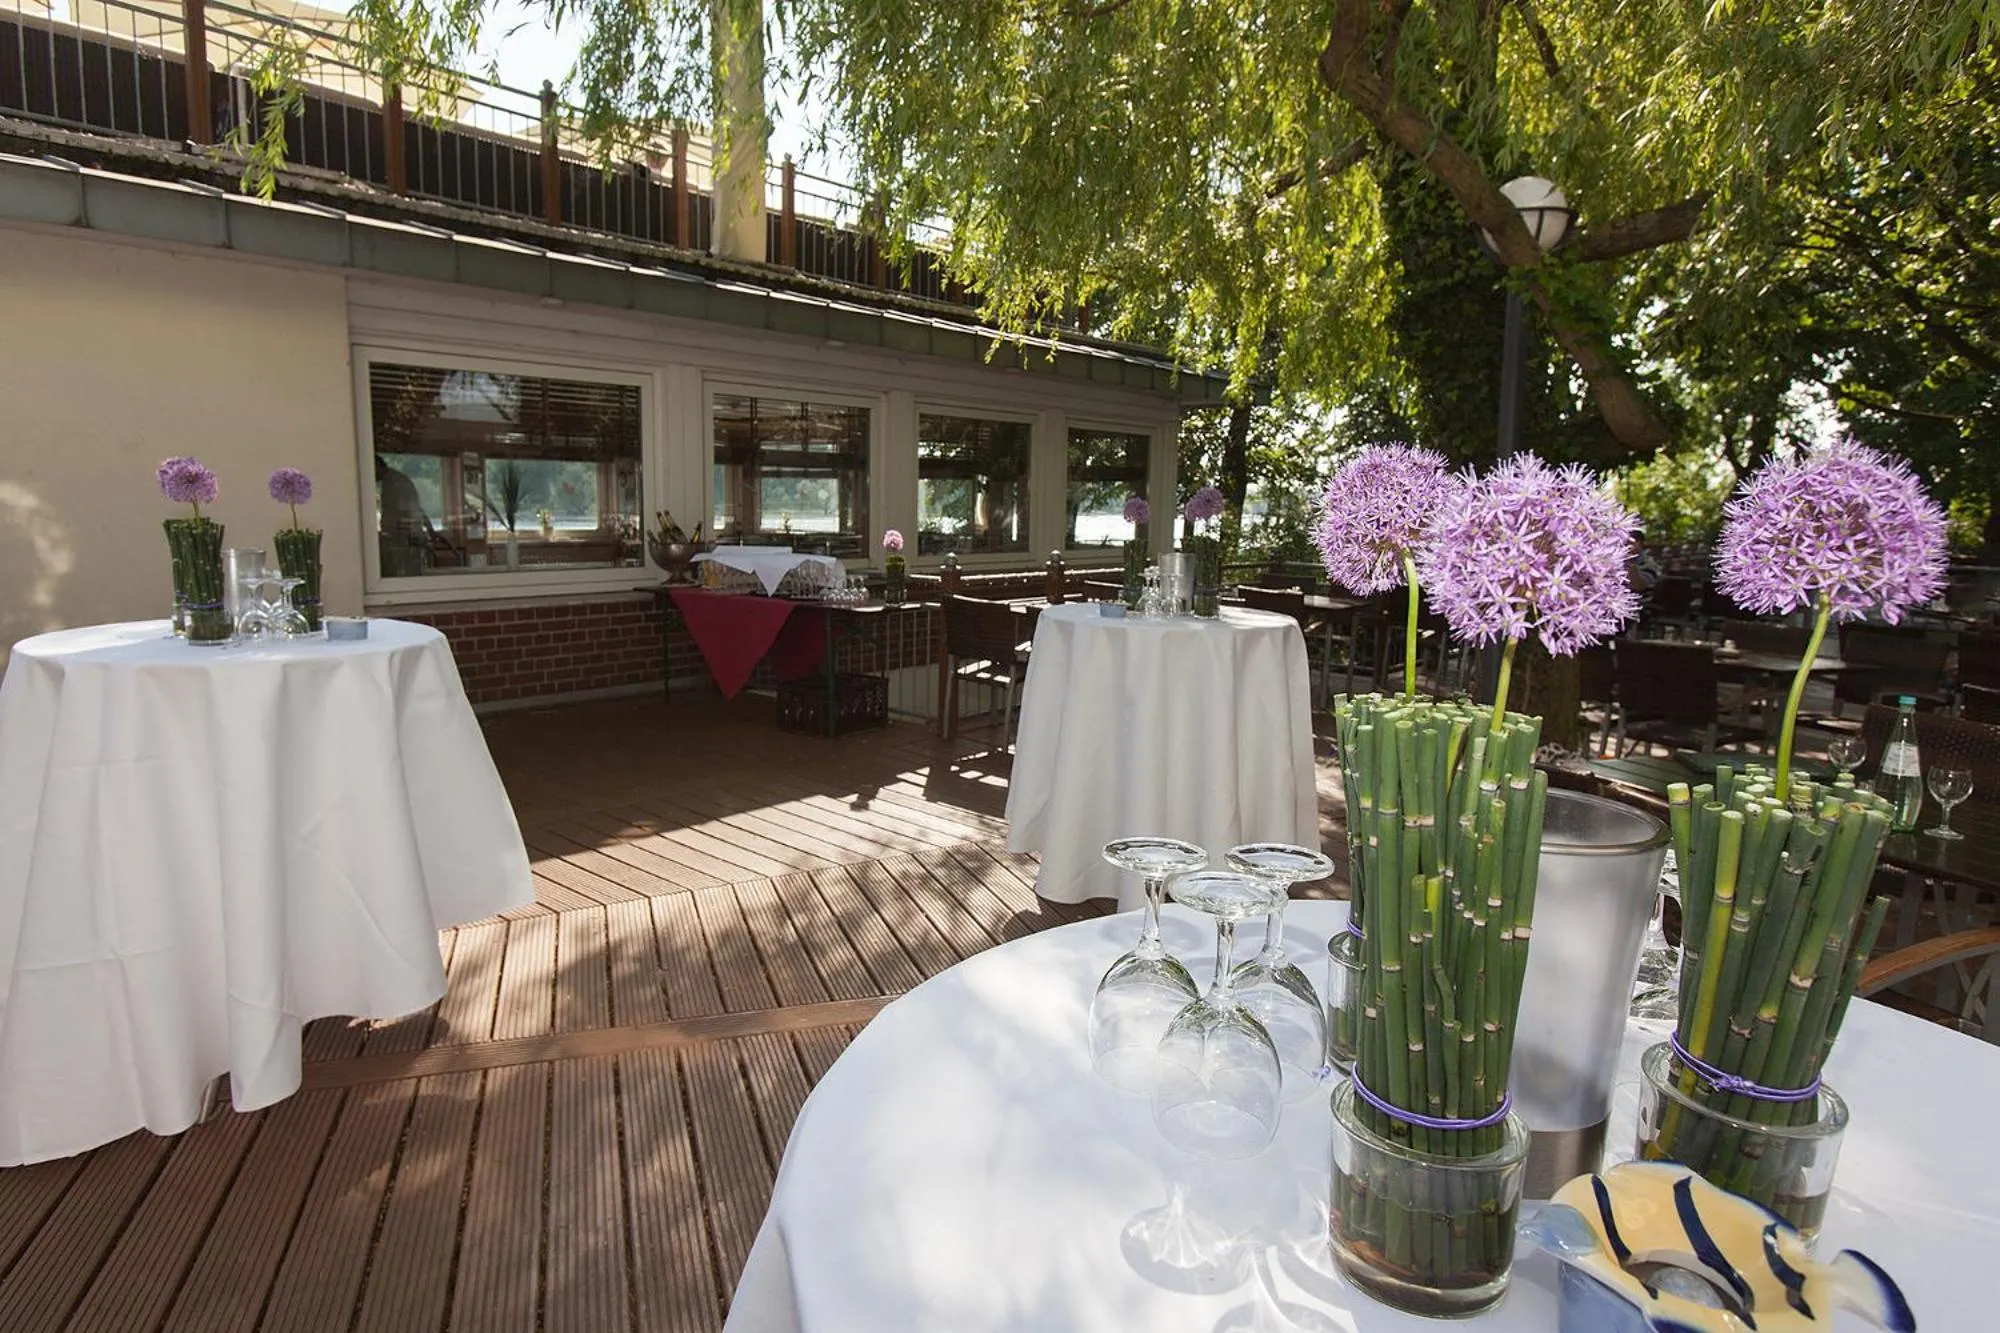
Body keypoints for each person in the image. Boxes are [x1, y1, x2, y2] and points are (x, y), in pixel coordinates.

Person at [376, 456, 435, 576]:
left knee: (408, 573)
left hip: (405, 536)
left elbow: (406, 511)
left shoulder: (396, 482)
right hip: (402, 534)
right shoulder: (392, 481)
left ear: (377, 466)